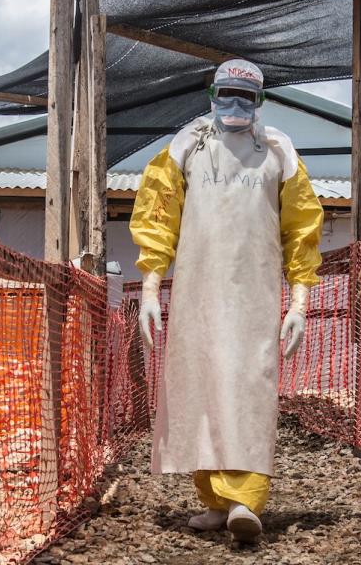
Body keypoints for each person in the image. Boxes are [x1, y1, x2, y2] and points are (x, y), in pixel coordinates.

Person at [129, 58, 324, 543]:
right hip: (197, 292)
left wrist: (299, 302)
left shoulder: (278, 151)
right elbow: (158, 215)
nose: (234, 106)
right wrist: (151, 289)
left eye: (246, 97)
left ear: (260, 101)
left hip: (254, 295)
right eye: (226, 95)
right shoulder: (186, 145)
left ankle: (245, 501)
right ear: (211, 95)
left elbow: (301, 228)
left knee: (248, 388)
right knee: (199, 386)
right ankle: (215, 500)